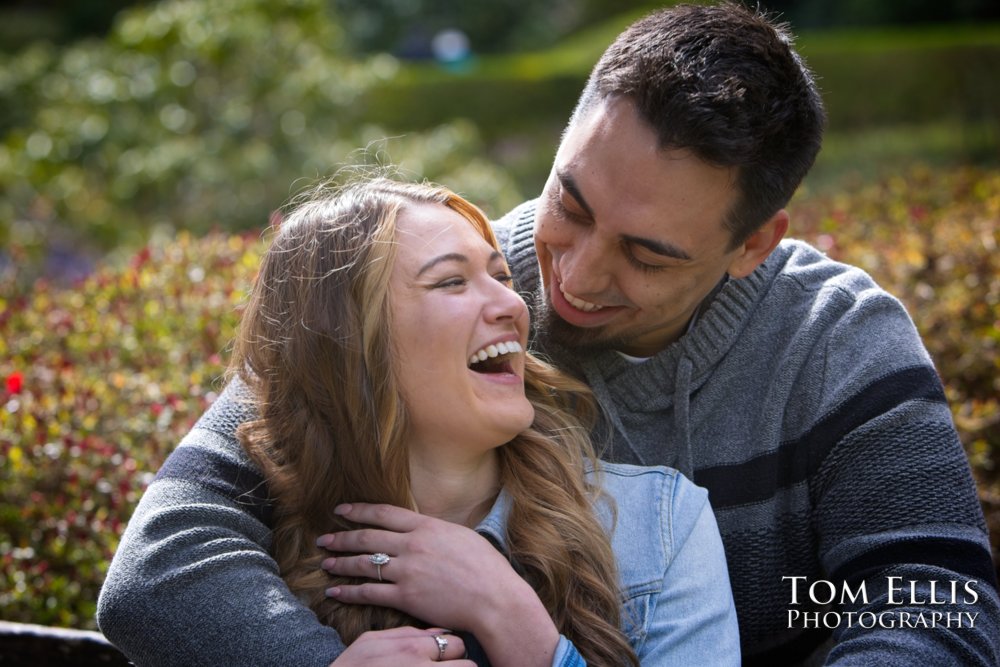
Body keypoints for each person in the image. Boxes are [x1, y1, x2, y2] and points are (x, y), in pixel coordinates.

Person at [98, 2, 1000, 665]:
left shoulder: (841, 345)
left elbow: (933, 612)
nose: (574, 274)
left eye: (646, 255)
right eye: (571, 202)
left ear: (753, 242)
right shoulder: (441, 299)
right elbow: (170, 550)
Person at [99, 177, 740, 666]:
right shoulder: (245, 565)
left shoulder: (659, 527)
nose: (513, 306)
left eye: (499, 275)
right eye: (450, 284)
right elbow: (142, 584)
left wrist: (515, 622)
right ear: (351, 346)